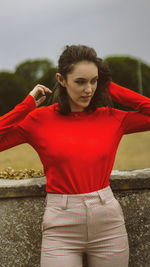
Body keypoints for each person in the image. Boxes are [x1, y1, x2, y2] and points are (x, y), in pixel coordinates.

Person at [0, 44, 150, 267]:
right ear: (61, 79)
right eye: (80, 81)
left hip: (108, 222)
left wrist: (110, 89)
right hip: (61, 225)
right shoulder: (38, 120)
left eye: (94, 81)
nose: (88, 89)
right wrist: (25, 106)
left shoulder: (112, 118)